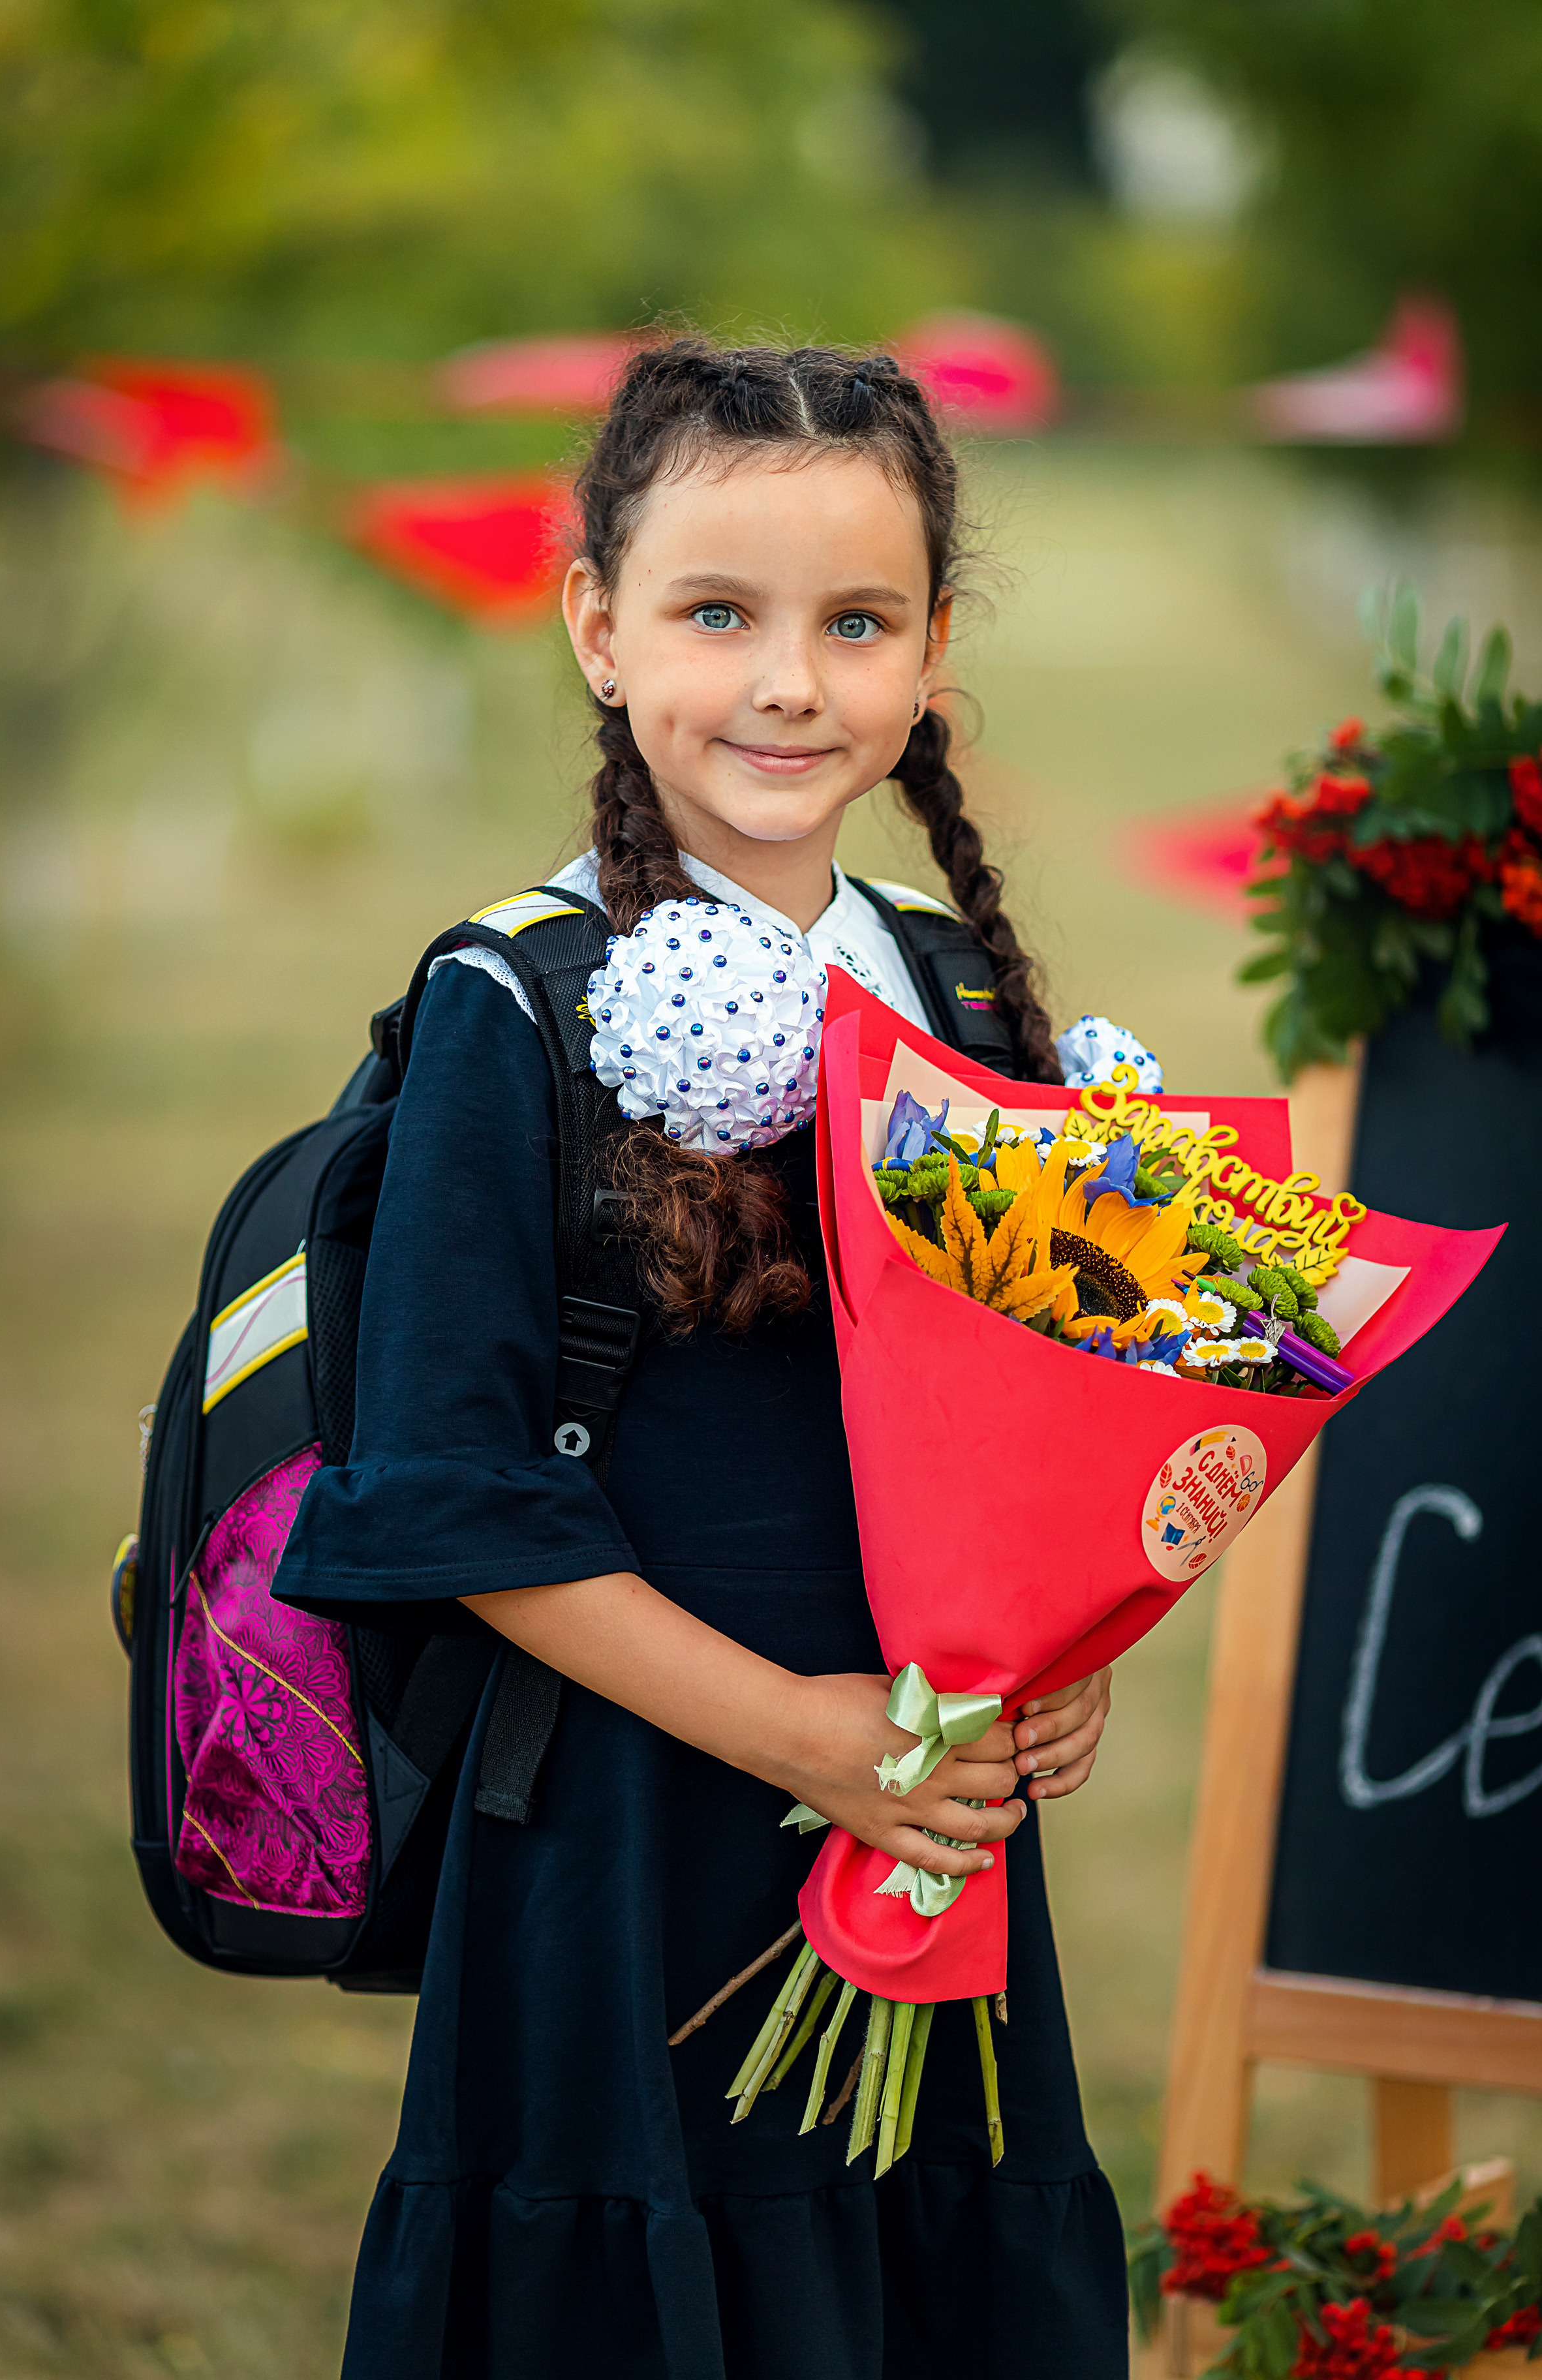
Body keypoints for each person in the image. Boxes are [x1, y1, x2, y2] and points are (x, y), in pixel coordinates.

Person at [274, 337, 1127, 2380]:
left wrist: (1068, 1654)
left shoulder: (963, 991)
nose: (788, 683)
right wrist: (797, 1734)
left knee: (908, 2290)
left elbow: (1055, 1419)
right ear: (598, 625)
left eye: (858, 622)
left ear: (935, 650)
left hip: (922, 1840)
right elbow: (456, 1495)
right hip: (623, 1841)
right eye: (717, 614)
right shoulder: (513, 1006)